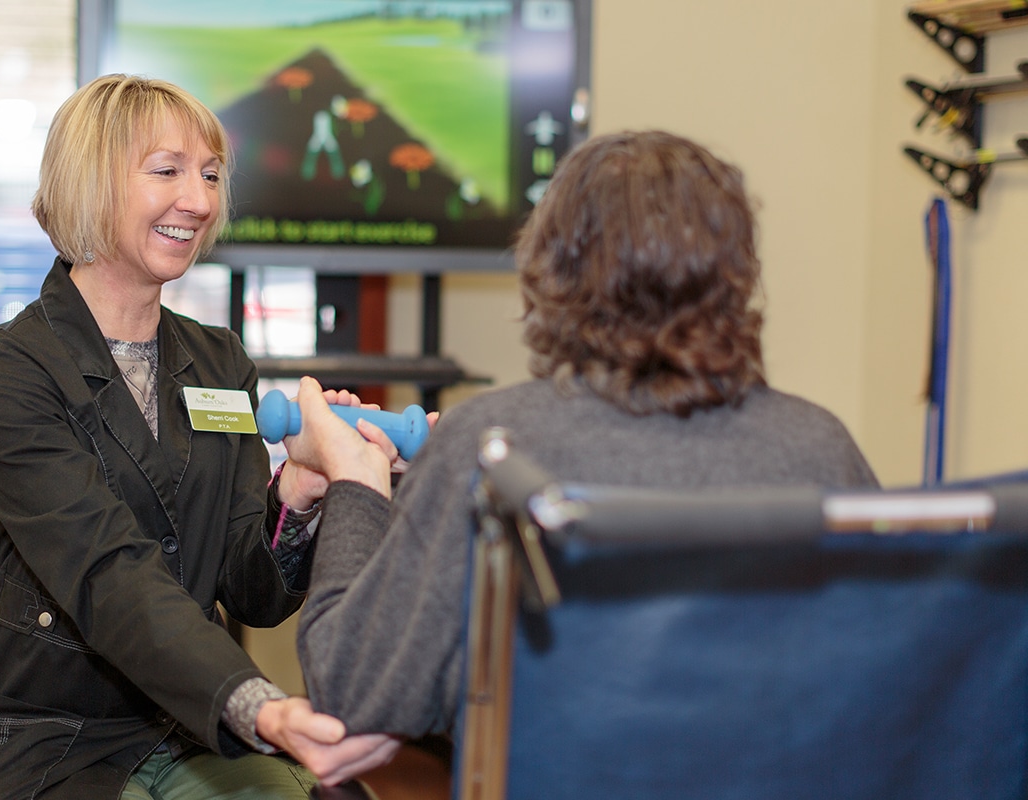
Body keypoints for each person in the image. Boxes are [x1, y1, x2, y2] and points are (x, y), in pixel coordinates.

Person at [283, 129, 880, 740]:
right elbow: (877, 685)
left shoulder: (489, 450)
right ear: (736, 271)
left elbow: (349, 687)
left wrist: (357, 485)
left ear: (552, 268)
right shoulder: (820, 448)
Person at [0, 74, 397, 800]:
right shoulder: (8, 373)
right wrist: (258, 706)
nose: (198, 201)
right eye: (167, 172)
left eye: (210, 175)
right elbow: (108, 573)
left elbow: (252, 594)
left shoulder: (220, 361)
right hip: (50, 736)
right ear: (90, 183)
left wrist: (300, 491)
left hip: (186, 724)